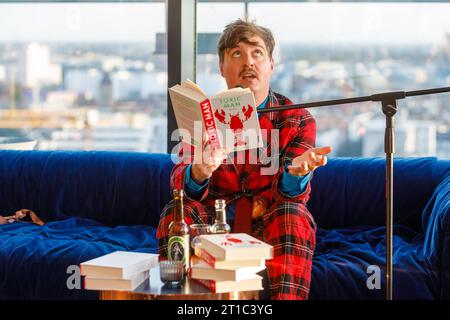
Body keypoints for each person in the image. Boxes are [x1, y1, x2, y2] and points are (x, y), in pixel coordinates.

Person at [157, 19, 332, 300]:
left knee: (293, 214)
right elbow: (178, 185)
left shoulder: (298, 119)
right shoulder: (202, 114)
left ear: (271, 65)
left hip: (271, 221)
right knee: (174, 214)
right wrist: (198, 172)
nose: (248, 62)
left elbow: (293, 198)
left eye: (257, 53)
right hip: (213, 222)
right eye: (236, 54)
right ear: (222, 68)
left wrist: (295, 175)